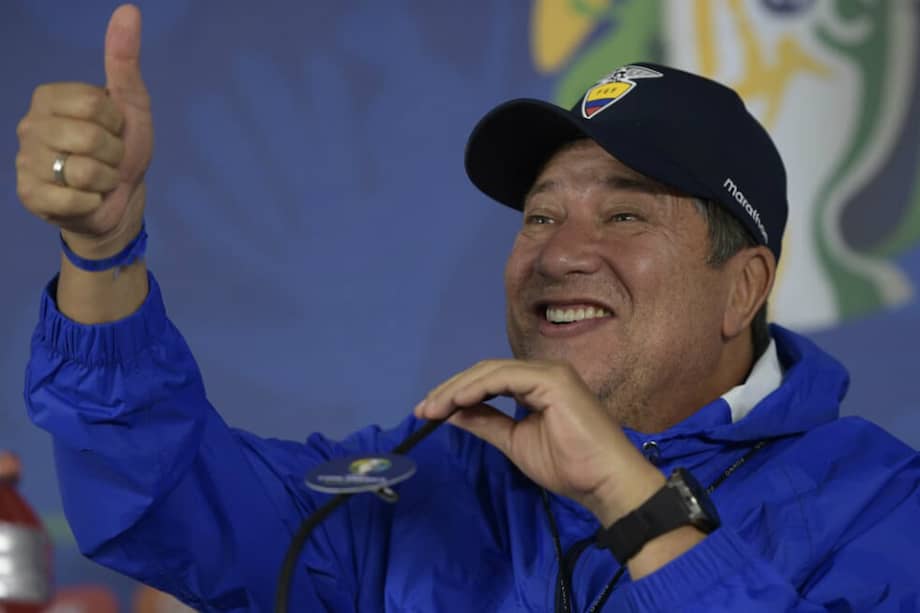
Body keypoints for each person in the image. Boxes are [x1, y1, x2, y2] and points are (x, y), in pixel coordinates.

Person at [15, 5, 920, 612]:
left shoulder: (885, 507)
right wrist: (102, 251)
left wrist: (632, 503)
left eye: (626, 212)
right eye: (539, 214)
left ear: (745, 286)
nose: (561, 253)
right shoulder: (427, 480)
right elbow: (165, 499)